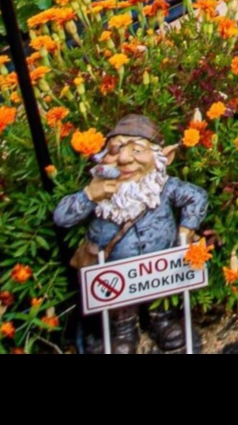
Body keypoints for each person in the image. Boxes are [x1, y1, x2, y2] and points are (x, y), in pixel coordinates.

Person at [54, 112, 209, 354]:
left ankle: (162, 321)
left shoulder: (163, 188)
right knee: (120, 307)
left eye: (137, 150)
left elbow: (196, 197)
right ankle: (124, 332)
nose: (125, 159)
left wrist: (186, 230)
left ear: (162, 157)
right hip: (117, 276)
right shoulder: (101, 193)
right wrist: (89, 195)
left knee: (163, 297)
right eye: (116, 149)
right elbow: (62, 217)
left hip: (160, 271)